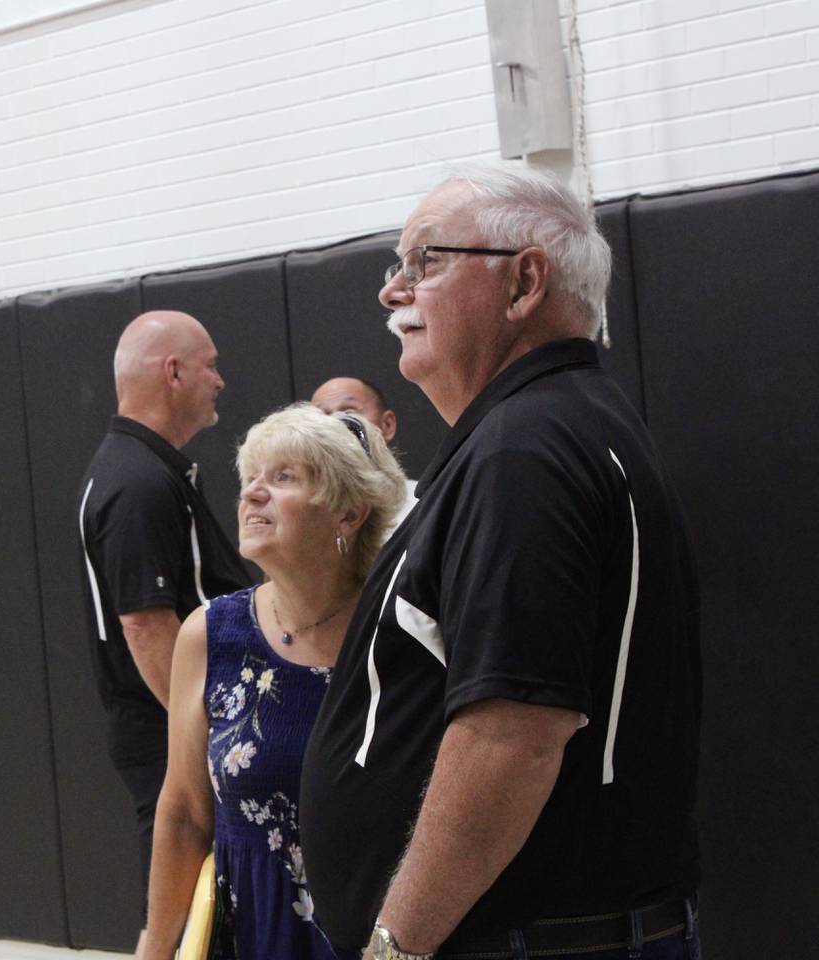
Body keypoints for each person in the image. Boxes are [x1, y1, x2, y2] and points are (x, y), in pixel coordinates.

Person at [299, 164, 703, 960]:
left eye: (426, 262)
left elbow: (512, 737)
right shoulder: (561, 427)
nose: (393, 292)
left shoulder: (524, 451)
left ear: (523, 283)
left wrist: (394, 948)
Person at [141, 403, 407, 960]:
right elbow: (186, 813)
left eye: (283, 478)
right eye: (252, 478)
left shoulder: (400, 632)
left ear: (349, 513)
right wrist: (156, 950)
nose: (253, 494)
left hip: (380, 938)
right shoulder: (210, 634)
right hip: (254, 935)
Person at [78, 310, 253, 953]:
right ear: (173, 373)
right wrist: (205, 739)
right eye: (209, 364)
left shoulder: (148, 469)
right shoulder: (138, 483)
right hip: (171, 740)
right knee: (184, 921)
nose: (220, 380)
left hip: (175, 733)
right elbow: (147, 627)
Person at [310, 377, 418, 534]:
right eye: (322, 415)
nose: (335, 422)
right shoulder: (298, 513)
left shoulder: (425, 503)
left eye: (349, 411)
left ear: (387, 425)